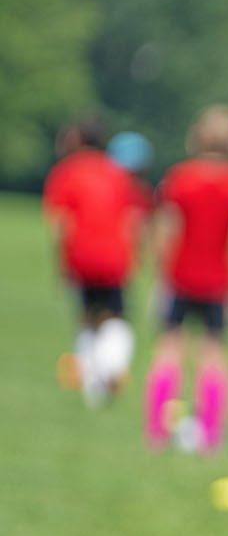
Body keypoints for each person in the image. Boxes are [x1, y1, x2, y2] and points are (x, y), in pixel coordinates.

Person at [142, 105, 228, 453]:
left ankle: (157, 429)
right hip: (219, 282)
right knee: (214, 354)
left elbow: (167, 230)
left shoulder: (180, 178)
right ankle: (210, 434)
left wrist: (161, 275)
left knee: (169, 349)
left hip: (179, 278)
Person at [43, 114, 149, 407]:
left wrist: (60, 265)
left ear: (78, 139)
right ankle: (109, 369)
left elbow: (60, 224)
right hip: (116, 256)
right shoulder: (118, 173)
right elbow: (134, 219)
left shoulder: (67, 172)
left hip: (81, 255)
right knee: (115, 315)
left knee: (88, 317)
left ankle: (93, 380)